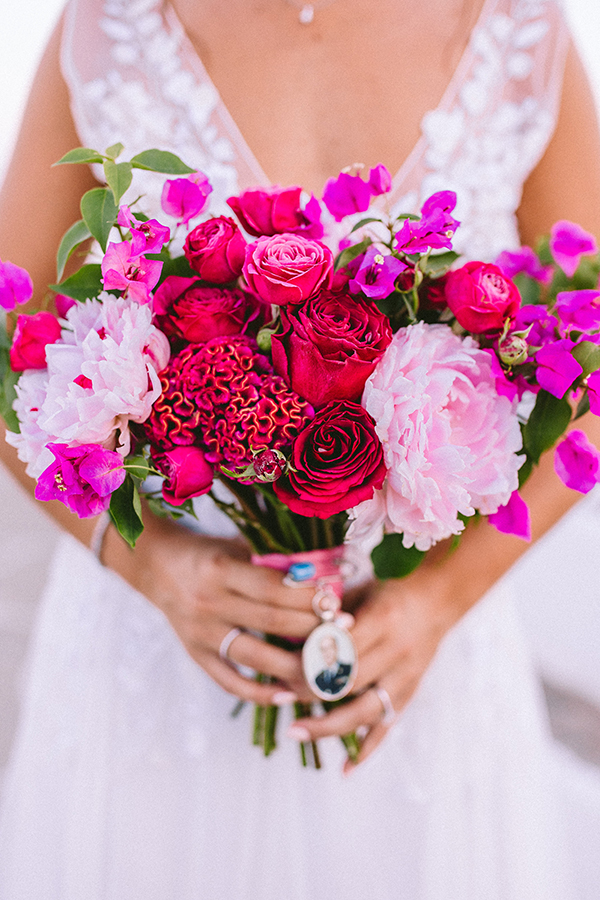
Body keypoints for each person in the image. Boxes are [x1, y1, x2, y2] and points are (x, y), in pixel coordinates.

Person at [1, 0, 600, 897]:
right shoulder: (113, 20)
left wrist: (437, 604)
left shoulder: (517, 24)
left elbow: (591, 367)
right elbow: (12, 344)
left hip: (419, 662)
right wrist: (156, 568)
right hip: (158, 654)